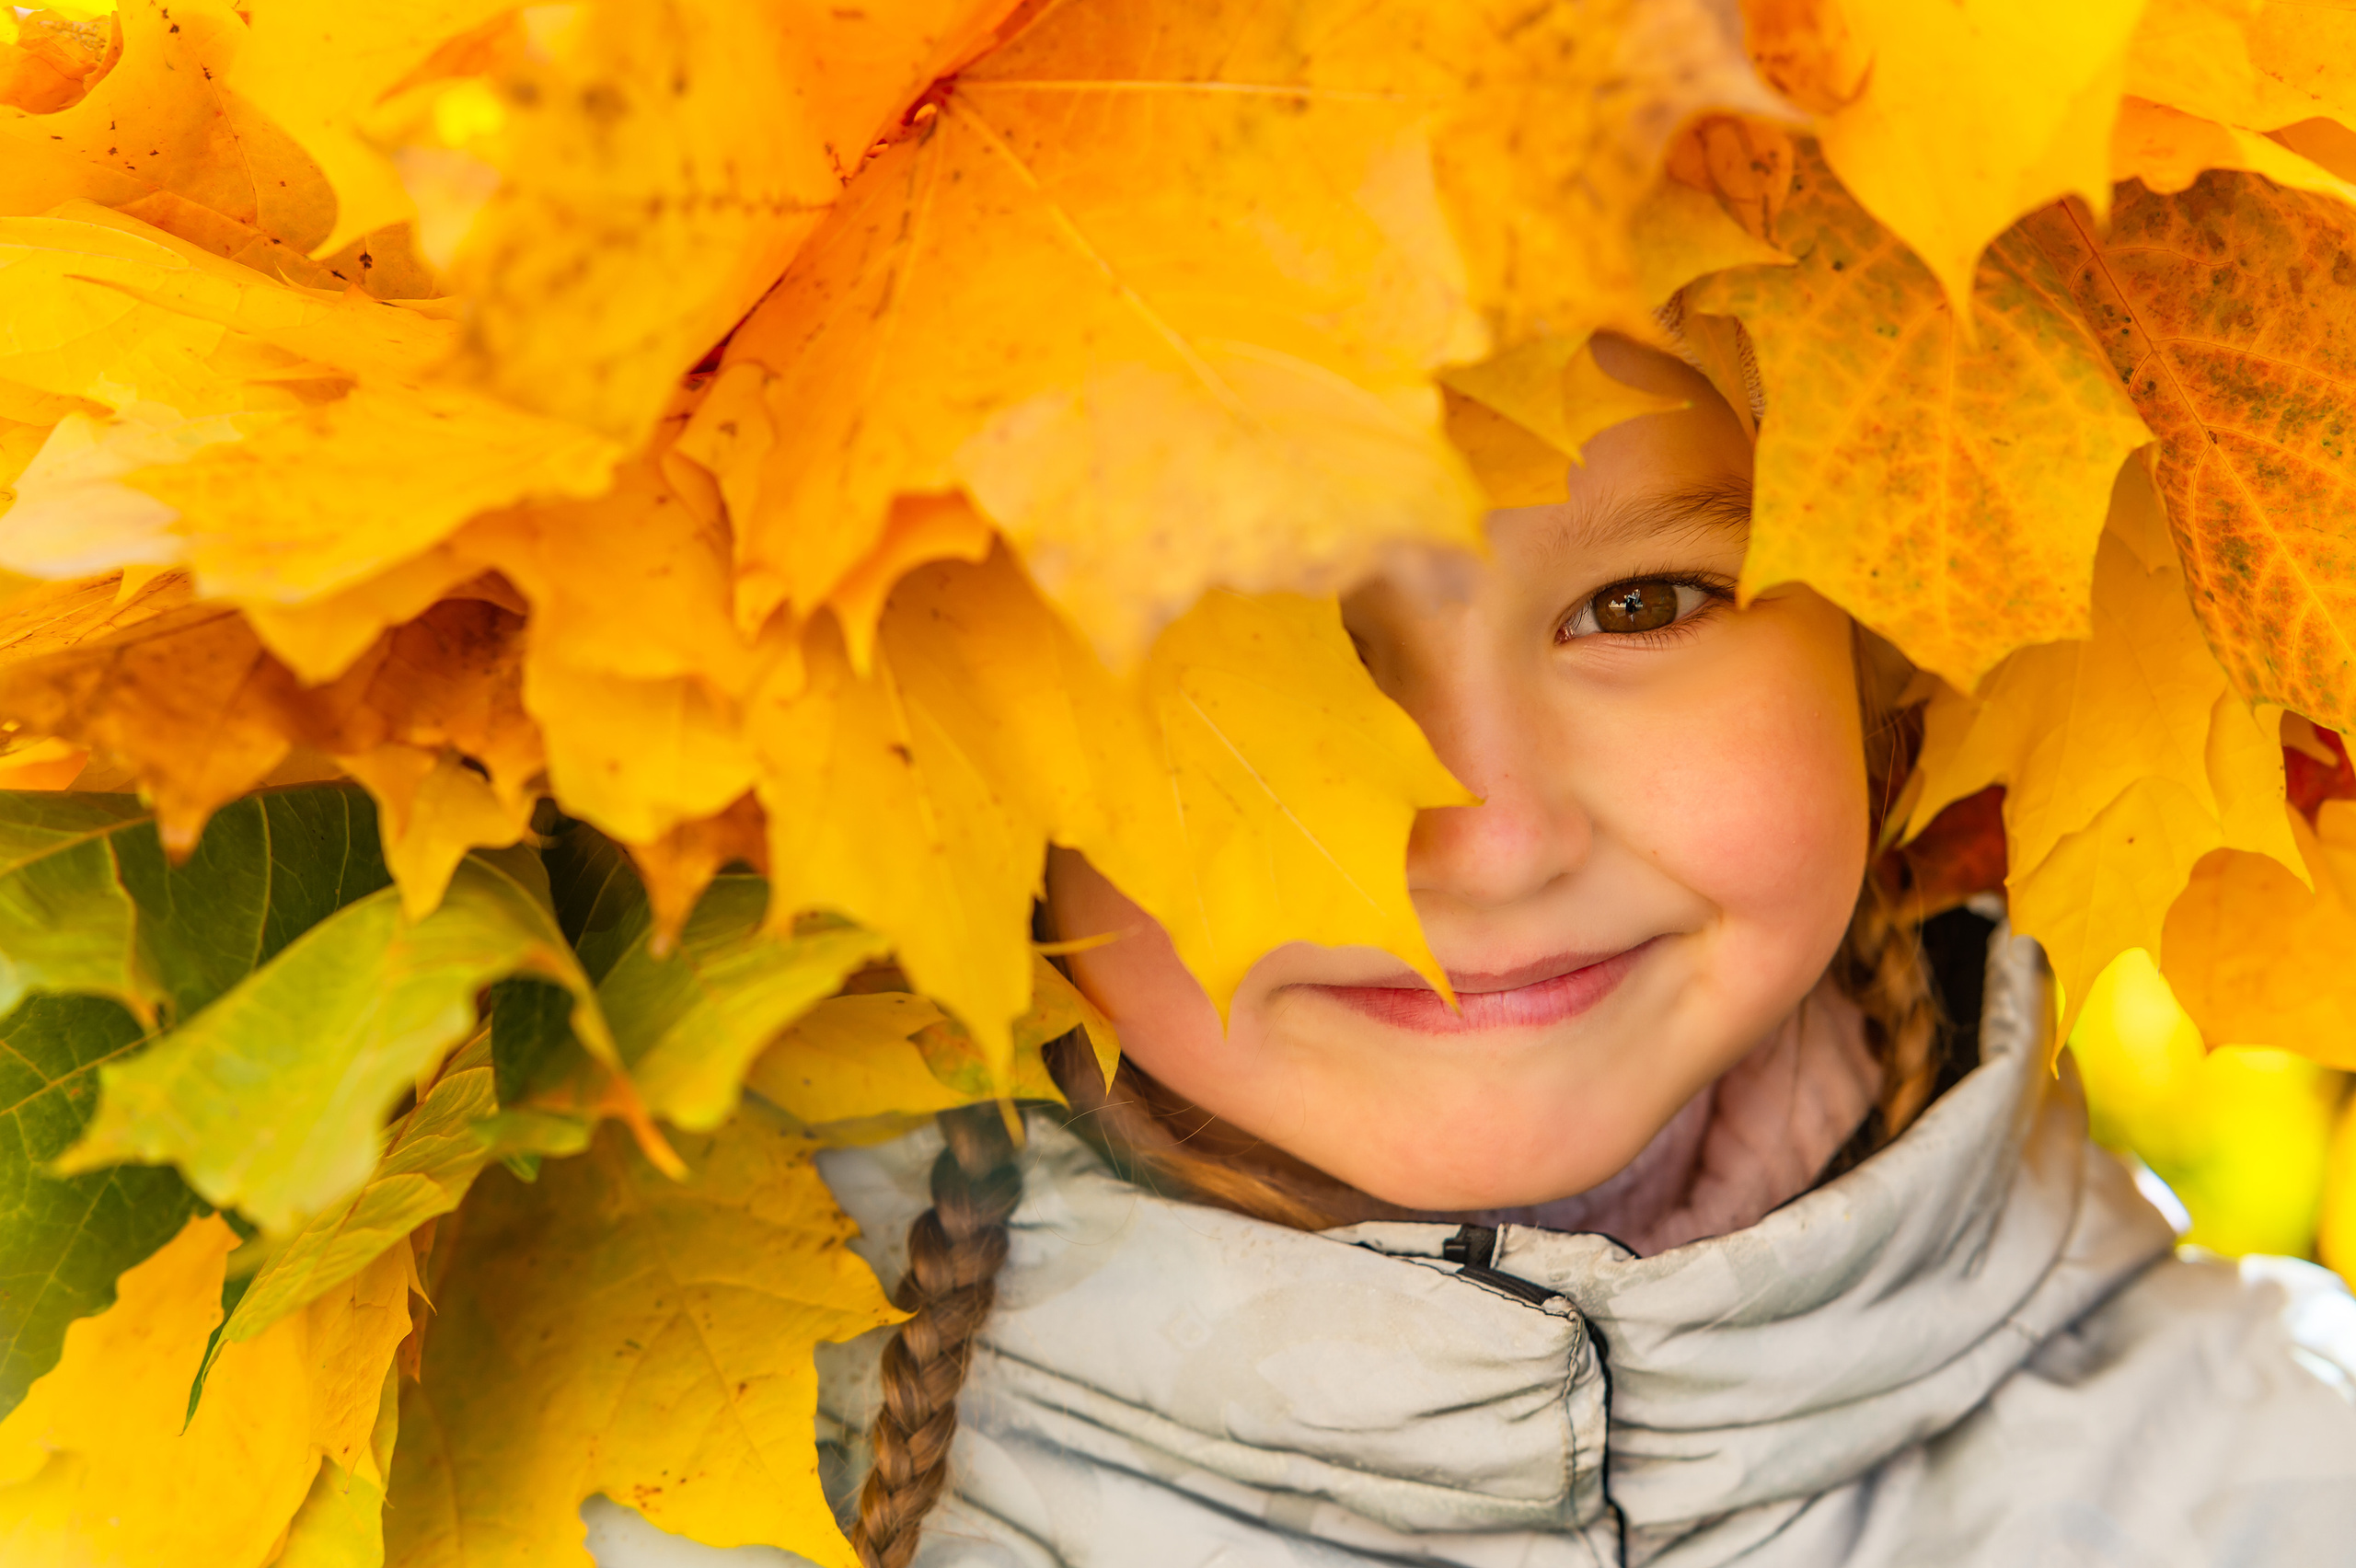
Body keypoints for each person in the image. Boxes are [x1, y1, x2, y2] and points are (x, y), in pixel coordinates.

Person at [583, 335, 2356, 1568]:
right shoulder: (637, 1503)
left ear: (1895, 649)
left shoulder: (2286, 1481)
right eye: (1242, 649)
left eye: (1643, 602)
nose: (1492, 835)